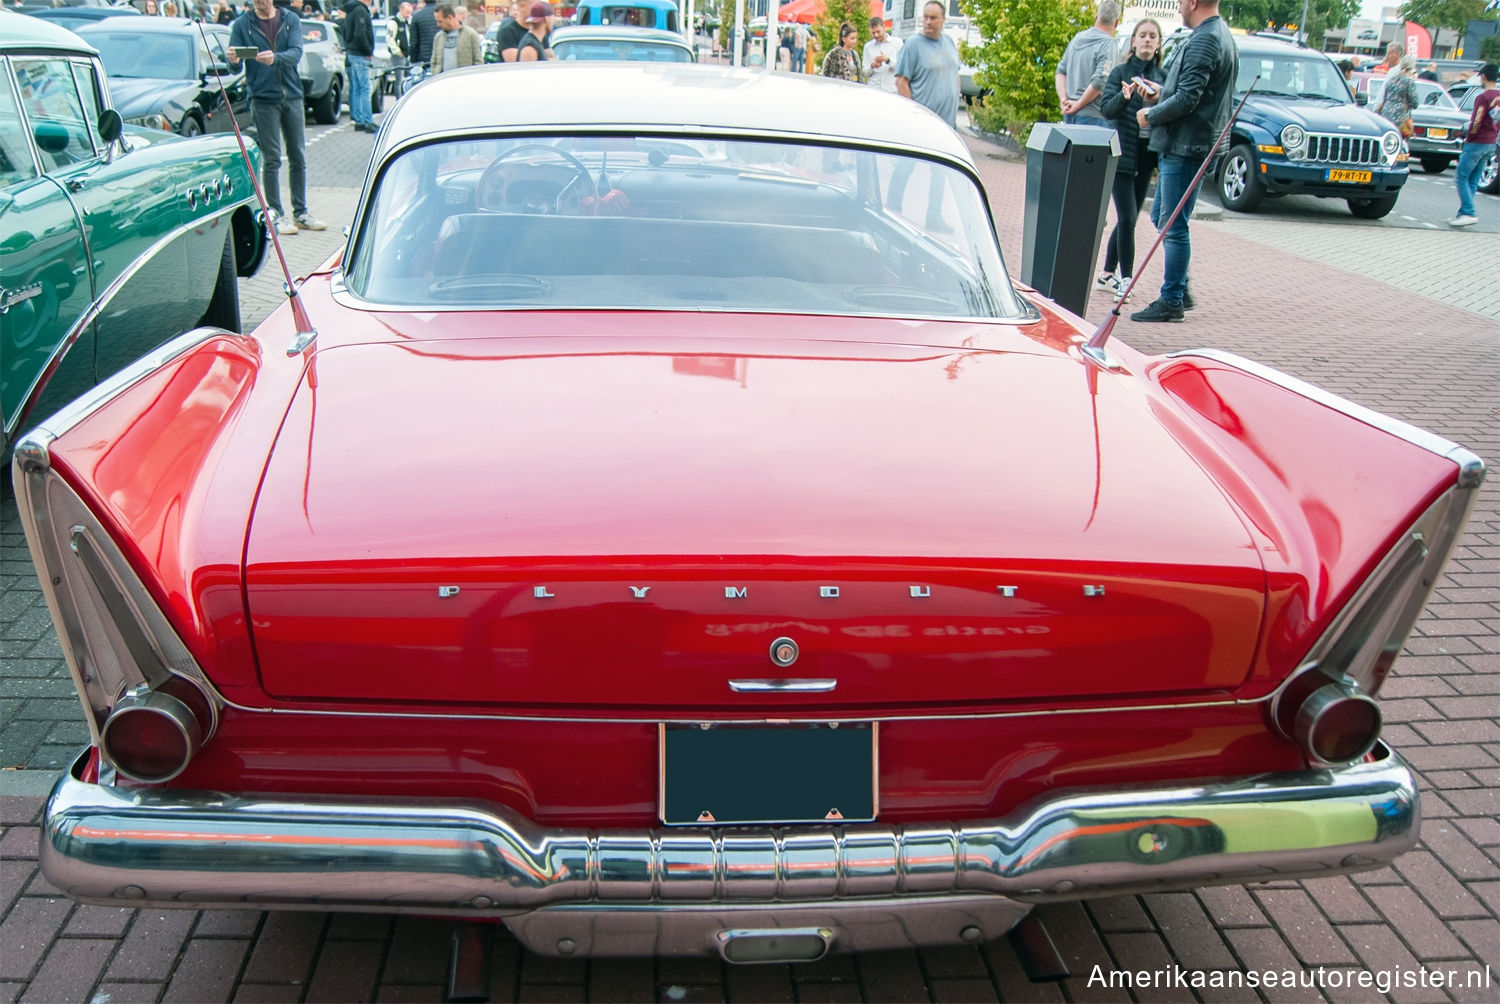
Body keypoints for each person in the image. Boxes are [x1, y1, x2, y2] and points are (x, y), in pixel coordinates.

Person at [1129, 0, 1236, 323]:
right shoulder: (1219, 34)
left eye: (1179, 2)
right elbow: (1193, 92)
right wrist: (1161, 93)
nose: (1177, 8)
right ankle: (1180, 287)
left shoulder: (1206, 38)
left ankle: (1172, 298)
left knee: (1173, 224)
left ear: (1192, 2)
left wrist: (1151, 114)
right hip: (1191, 143)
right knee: (1164, 218)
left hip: (1186, 145)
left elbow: (1190, 98)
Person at [228, 0, 326, 236]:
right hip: (262, 98)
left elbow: (296, 53)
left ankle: (301, 213)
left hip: (292, 95)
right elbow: (234, 68)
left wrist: (275, 58)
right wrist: (232, 60)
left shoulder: (290, 19)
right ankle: (276, 214)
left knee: (298, 156)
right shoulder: (242, 25)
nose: (259, 2)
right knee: (272, 159)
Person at [1095, 18, 1164, 302]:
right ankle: (1126, 280)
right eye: (1142, 35)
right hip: (1122, 155)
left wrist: (1158, 98)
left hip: (1146, 157)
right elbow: (1107, 110)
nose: (1147, 40)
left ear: (1158, 43)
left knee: (1130, 219)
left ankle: (1106, 275)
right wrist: (1124, 97)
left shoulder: (1164, 76)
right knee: (1126, 217)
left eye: (1152, 36)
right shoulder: (1121, 72)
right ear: (1133, 41)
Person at [894, 1, 959, 126]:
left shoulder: (949, 41)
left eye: (933, 18)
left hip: (949, 124)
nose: (928, 21)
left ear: (943, 19)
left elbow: (955, 74)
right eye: (925, 17)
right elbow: (901, 82)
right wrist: (913, 117)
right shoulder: (913, 45)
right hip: (924, 124)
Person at [1055, 0, 1119, 123]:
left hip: (1069, 113)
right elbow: (1100, 81)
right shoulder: (1109, 44)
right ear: (1116, 22)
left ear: (1096, 17)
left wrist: (1064, 99)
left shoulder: (1078, 39)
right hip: (1093, 116)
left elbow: (1060, 72)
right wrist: (1078, 104)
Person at [1451, 61, 1498, 227]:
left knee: (1461, 177)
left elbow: (1476, 121)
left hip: (1477, 142)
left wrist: (1469, 136)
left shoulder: (1483, 97)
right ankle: (1463, 213)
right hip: (1491, 142)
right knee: (1473, 179)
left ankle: (1469, 211)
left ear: (1483, 77)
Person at [341, 0, 376, 132]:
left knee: (356, 88)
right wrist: (368, 51)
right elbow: (361, 33)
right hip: (361, 54)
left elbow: (344, 31)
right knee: (365, 88)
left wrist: (349, 46)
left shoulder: (350, 10)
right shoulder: (361, 10)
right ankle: (368, 122)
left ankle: (358, 120)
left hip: (352, 52)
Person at [429, 2, 482, 72]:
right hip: (442, 80)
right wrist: (434, 73)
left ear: (449, 18)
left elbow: (478, 61)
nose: (438, 25)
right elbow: (434, 62)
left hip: (463, 79)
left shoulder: (470, 35)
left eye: (440, 21)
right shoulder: (438, 37)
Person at [1377, 54, 1418, 138]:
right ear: (1412, 67)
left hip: (1385, 113)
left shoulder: (1392, 80)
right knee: (1399, 139)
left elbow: (1385, 97)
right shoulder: (1409, 82)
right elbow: (1415, 103)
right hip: (1400, 116)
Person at [862, 16, 901, 93]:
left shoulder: (897, 43)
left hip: (891, 90)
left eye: (878, 32)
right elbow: (864, 73)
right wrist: (872, 66)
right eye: (873, 33)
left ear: (884, 28)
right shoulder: (868, 46)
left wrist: (888, 60)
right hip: (874, 89)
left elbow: (902, 68)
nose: (876, 35)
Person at [410, 0, 439, 67]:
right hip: (441, 56)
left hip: (423, 58)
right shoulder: (443, 14)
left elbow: (413, 42)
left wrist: (413, 60)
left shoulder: (417, 16)